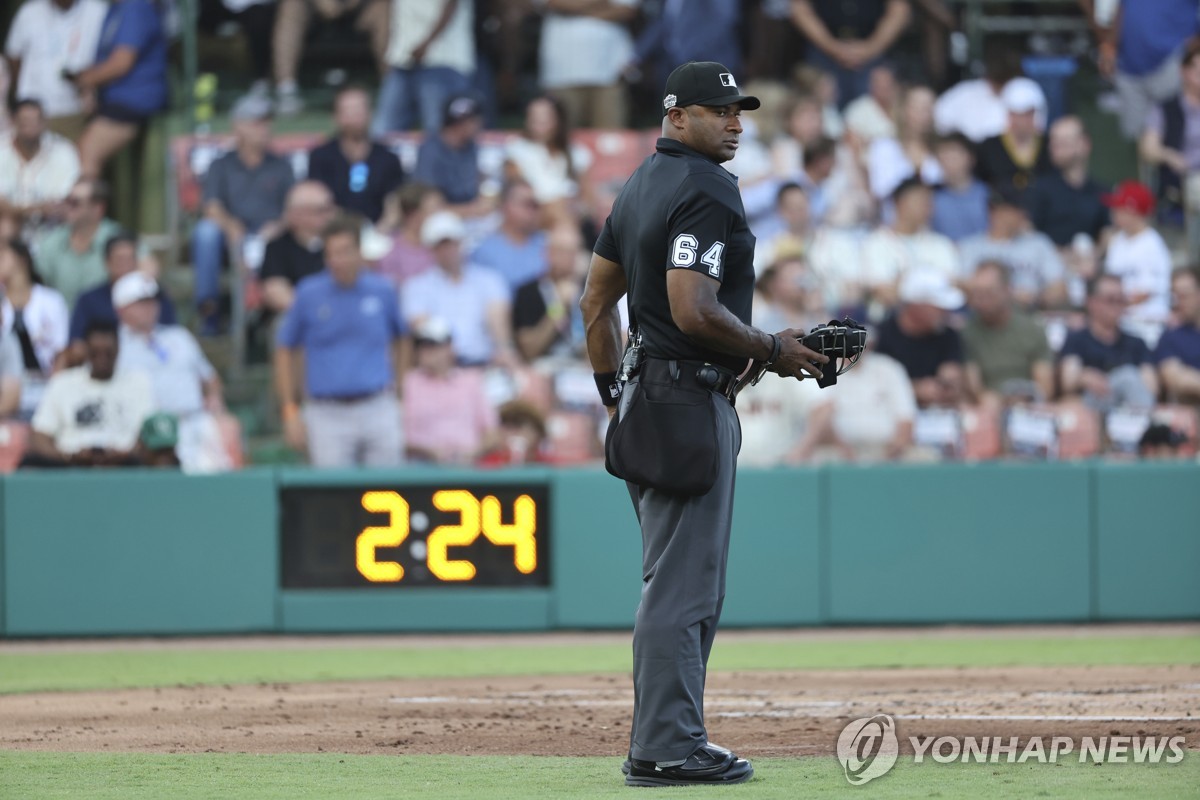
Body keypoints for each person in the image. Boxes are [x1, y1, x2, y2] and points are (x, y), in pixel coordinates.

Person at [579, 60, 828, 788]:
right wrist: (774, 348)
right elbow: (692, 308)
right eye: (719, 111)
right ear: (676, 116)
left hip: (649, 398)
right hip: (687, 402)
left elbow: (595, 304)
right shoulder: (704, 186)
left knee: (672, 578)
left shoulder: (639, 184)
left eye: (739, 111)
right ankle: (666, 746)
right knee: (684, 588)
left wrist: (611, 392)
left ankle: (664, 739)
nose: (735, 123)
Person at [274, 214, 409, 467]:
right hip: (327, 411)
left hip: (377, 404)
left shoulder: (383, 290)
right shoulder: (308, 293)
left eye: (345, 252)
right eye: (331, 254)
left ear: (359, 252)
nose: (337, 261)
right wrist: (290, 411)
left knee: (389, 490)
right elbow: (285, 349)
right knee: (333, 495)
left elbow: (402, 338)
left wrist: (399, 390)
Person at [192, 94, 293, 333]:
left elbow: (293, 207)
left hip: (272, 237)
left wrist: (277, 227)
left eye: (267, 121)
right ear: (239, 127)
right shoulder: (221, 164)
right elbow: (211, 206)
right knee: (205, 232)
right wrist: (231, 228)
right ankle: (209, 311)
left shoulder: (281, 164)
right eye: (257, 122)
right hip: (232, 238)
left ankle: (269, 318)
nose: (265, 128)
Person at [112, 271, 231, 473]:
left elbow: (210, 378)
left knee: (222, 466)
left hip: (194, 422)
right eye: (142, 302)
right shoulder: (113, 347)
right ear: (121, 309)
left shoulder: (179, 336)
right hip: (148, 433)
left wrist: (214, 398)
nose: (150, 307)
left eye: (153, 300)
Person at [22, 318, 152, 468]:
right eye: (96, 352)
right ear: (86, 351)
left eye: (108, 353)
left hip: (125, 465)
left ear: (118, 349)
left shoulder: (137, 382)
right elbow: (39, 436)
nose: (102, 358)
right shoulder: (63, 382)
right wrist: (68, 457)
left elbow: (149, 433)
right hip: (70, 465)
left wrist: (126, 454)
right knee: (29, 463)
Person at [403, 210, 516, 367]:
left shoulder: (489, 279)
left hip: (485, 365)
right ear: (431, 249)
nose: (448, 250)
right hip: (440, 369)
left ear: (461, 242)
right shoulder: (417, 287)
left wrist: (504, 351)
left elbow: (499, 327)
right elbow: (424, 330)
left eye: (452, 243)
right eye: (441, 245)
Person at [71, 0, 169, 179]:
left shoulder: (136, 6)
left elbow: (121, 63)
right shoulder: (116, 9)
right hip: (113, 98)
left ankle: (86, 206)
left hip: (133, 100)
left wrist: (85, 80)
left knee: (86, 153)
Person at [1083, 0, 1200, 140]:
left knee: (1174, 135)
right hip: (1129, 65)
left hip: (1172, 63)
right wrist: (1110, 46)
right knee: (1134, 138)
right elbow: (1122, 9)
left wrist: (1190, 52)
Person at [32, 179, 153, 311]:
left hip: (106, 322)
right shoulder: (51, 241)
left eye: (75, 203)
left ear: (98, 209)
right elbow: (36, 283)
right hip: (60, 325)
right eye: (67, 201)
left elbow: (148, 268)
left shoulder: (117, 238)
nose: (68, 207)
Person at [64, 231, 177, 366]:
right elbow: (77, 345)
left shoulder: (155, 295)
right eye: (119, 259)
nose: (125, 265)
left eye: (130, 259)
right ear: (107, 262)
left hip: (155, 364)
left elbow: (172, 337)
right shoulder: (89, 299)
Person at [3, 0, 106, 142]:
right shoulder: (30, 12)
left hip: (75, 111)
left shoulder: (98, 11)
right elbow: (14, 56)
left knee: (69, 160)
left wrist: (87, 83)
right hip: (32, 111)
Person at [402, 317, 498, 464]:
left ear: (449, 348)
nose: (425, 351)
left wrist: (471, 453)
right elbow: (399, 436)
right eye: (421, 346)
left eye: (432, 345)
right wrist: (428, 451)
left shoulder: (471, 381)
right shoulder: (410, 382)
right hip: (421, 466)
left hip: (466, 466)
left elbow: (492, 434)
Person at [372, 0, 474, 136]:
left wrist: (426, 43)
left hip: (443, 62)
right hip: (402, 62)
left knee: (439, 134)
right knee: (382, 131)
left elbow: (451, 4)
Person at [270, 0, 389, 116]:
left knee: (384, 8)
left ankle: (391, 90)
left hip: (362, 10)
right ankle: (287, 90)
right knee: (291, 5)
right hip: (315, 12)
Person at [1058, 274, 1158, 411]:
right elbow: (1067, 380)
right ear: (1091, 302)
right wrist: (1084, 377)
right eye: (1110, 300)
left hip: (1129, 407)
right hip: (1093, 406)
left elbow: (1151, 387)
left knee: (1128, 377)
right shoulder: (1077, 339)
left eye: (1121, 300)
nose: (1117, 306)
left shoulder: (1136, 343)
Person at [860, 177, 961, 312]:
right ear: (899, 203)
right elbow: (883, 292)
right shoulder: (874, 243)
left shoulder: (941, 244)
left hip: (937, 318)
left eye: (929, 202)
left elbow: (954, 287)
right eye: (921, 201)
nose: (928, 207)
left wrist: (902, 284)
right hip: (890, 318)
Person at [961, 260, 1055, 404]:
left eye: (988, 292)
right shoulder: (967, 333)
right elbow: (974, 387)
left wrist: (1027, 400)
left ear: (1007, 290)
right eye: (976, 293)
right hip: (987, 405)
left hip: (1029, 402)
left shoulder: (1032, 328)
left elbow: (1044, 385)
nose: (980, 299)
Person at [788, 0, 912, 108]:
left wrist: (870, 48)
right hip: (822, 51)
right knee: (813, 109)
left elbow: (899, 9)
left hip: (875, 52)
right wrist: (832, 47)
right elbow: (798, 7)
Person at [307, 87, 404, 224]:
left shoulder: (388, 159)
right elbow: (318, 201)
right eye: (348, 112)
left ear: (370, 113)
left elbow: (395, 203)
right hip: (333, 232)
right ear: (336, 117)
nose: (354, 118)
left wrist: (379, 233)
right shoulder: (320, 157)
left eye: (359, 110)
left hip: (381, 235)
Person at [958, 189, 1068, 310]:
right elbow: (962, 286)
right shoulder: (971, 247)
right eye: (1016, 211)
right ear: (996, 212)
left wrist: (1036, 298)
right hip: (985, 316)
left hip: (1031, 314)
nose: (1023, 216)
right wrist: (1010, 295)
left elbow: (1059, 287)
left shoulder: (1038, 243)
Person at [537, 0, 637, 130]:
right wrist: (604, 5)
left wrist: (575, 9)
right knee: (560, 139)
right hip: (561, 72)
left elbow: (627, 10)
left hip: (610, 71)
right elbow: (553, 3)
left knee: (610, 140)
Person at [874, 269, 966, 408]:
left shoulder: (948, 335)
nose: (945, 312)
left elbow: (952, 372)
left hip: (939, 415)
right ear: (917, 306)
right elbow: (874, 387)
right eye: (939, 307)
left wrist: (949, 384)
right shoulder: (882, 336)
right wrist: (914, 389)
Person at [0, 237, 69, 420]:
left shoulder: (51, 301)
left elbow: (61, 353)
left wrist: (54, 395)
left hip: (42, 388)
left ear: (21, 260)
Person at [503, 94, 595, 227]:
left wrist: (579, 210)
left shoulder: (577, 153)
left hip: (572, 219)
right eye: (534, 116)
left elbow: (589, 199)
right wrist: (554, 205)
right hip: (534, 217)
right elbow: (518, 193)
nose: (538, 121)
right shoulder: (515, 149)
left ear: (558, 119)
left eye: (545, 116)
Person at [1102, 180, 1173, 346]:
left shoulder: (1153, 245)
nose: (1113, 212)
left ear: (1133, 211)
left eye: (1119, 208)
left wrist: (1110, 305)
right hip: (1121, 319)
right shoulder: (1117, 240)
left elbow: (1145, 293)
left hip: (1148, 322)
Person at [1026, 115, 1110, 248]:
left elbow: (1108, 234)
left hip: (1090, 264)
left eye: (1064, 142)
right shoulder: (1039, 189)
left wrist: (1095, 256)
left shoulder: (1101, 192)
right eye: (1053, 142)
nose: (1055, 148)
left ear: (1085, 144)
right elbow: (1029, 234)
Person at [1139, 37, 1200, 216]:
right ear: (1184, 71)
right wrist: (1170, 156)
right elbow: (1148, 148)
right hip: (1182, 182)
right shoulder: (1166, 108)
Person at [0, 99, 80, 235]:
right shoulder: (2, 148)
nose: (31, 126)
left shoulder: (63, 151)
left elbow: (68, 197)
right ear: (14, 121)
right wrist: (32, 209)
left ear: (45, 122)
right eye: (25, 120)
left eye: (36, 120)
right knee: (7, 225)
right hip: (8, 225)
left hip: (52, 225)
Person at [259, 181, 336, 317]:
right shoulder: (277, 247)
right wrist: (318, 313)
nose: (331, 215)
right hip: (297, 318)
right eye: (322, 210)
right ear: (297, 214)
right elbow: (275, 292)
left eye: (330, 208)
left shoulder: (339, 243)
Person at [512, 223, 586, 362]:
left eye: (574, 251)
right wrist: (558, 306)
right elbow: (530, 350)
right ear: (548, 253)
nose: (570, 257)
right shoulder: (528, 292)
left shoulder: (589, 290)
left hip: (582, 369)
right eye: (562, 251)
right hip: (543, 367)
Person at [973, 78, 1054, 204]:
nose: (1021, 122)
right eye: (1015, 114)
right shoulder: (988, 148)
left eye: (1027, 114)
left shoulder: (1051, 145)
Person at [866, 83, 942, 202]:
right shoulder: (883, 147)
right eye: (918, 108)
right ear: (903, 110)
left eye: (929, 108)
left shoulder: (942, 149)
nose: (925, 115)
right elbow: (880, 191)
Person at [412, 94, 486, 214]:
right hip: (440, 222)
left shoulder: (471, 146)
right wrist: (472, 211)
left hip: (471, 219)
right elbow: (429, 206)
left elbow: (482, 187)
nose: (479, 124)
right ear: (459, 124)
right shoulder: (431, 150)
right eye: (473, 120)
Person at [469, 180, 547, 292]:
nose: (532, 211)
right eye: (526, 204)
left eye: (535, 206)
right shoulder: (484, 251)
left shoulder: (546, 244)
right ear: (505, 206)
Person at [376, 182, 443, 286]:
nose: (441, 215)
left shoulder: (446, 244)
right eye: (433, 209)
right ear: (413, 215)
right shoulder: (390, 250)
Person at [930, 133, 989, 243]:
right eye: (944, 156)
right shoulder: (930, 198)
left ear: (971, 159)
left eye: (955, 156)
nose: (949, 162)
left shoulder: (989, 195)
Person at [1154, 267, 1200, 403]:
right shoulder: (1170, 337)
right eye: (1174, 296)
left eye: (1184, 295)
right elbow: (1175, 379)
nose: (1178, 302)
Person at [842, 62, 899, 144]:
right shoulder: (858, 109)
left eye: (888, 82)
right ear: (871, 85)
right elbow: (850, 140)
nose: (884, 86)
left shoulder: (902, 108)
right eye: (879, 83)